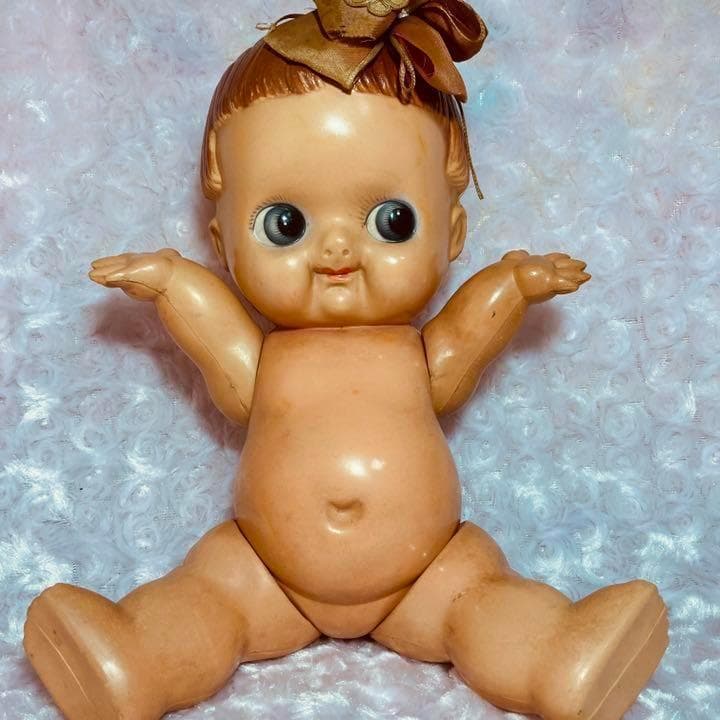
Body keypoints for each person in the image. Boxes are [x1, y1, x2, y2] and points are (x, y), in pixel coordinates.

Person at [24, 2, 668, 718]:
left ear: (453, 232)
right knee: (208, 593)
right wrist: (174, 283)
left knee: (479, 598)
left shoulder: (413, 355)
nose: (336, 249)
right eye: (286, 224)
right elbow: (218, 342)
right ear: (223, 241)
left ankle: (559, 660)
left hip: (425, 573)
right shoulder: (269, 361)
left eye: (392, 221)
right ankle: (135, 661)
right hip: (269, 572)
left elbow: (463, 343)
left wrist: (511, 286)